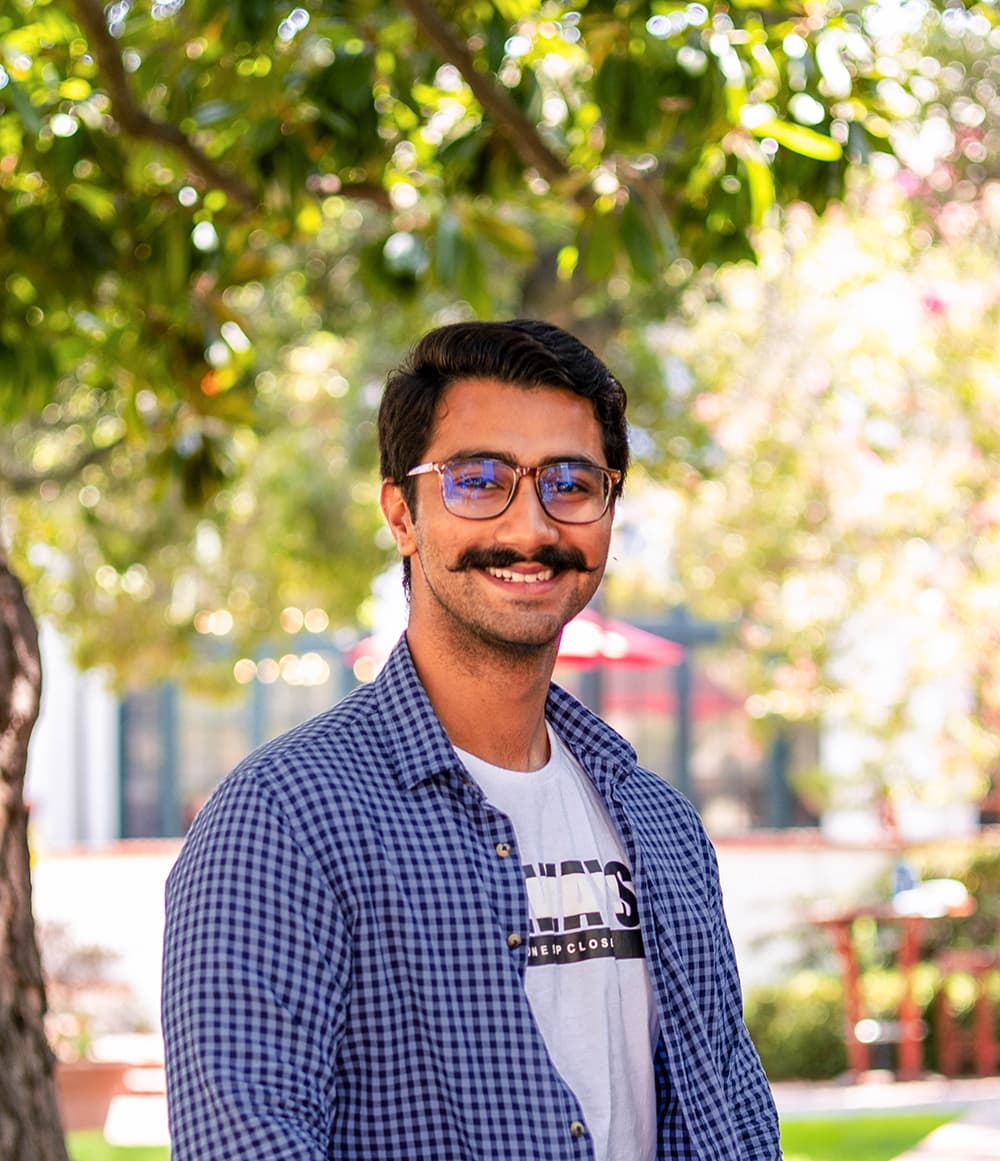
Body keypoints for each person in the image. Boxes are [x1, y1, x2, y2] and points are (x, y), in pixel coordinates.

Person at [161, 319, 782, 1160]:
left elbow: (736, 1120)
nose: (531, 526)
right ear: (401, 514)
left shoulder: (662, 823)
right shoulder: (282, 825)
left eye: (571, 481)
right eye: (478, 479)